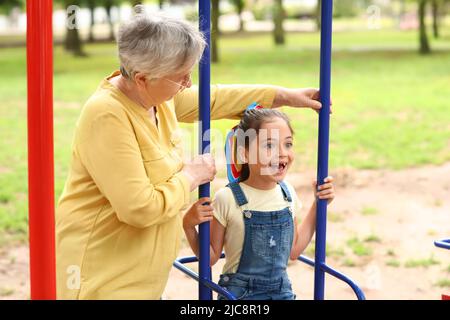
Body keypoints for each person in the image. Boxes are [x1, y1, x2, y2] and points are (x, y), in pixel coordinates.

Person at [56, 6, 326, 300]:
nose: (187, 84)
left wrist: (284, 95)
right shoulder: (107, 115)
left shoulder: (156, 98)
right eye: (181, 77)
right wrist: (190, 176)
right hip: (102, 277)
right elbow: (138, 207)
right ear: (143, 76)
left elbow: (214, 98)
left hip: (141, 278)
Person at [183, 108, 335, 300]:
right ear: (245, 154)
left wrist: (318, 203)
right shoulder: (227, 198)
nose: (282, 153)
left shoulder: (287, 193)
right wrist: (188, 225)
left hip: (281, 292)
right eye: (269, 146)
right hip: (240, 295)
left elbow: (294, 250)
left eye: (288, 144)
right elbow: (210, 258)